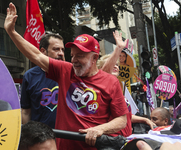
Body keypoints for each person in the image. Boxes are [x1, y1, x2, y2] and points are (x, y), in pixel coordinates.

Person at [4, 3, 128, 150]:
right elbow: (36, 55)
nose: (74, 60)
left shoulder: (111, 82)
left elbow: (122, 120)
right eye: (73, 55)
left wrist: (101, 129)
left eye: (80, 56)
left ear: (94, 59)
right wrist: (11, 32)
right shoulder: (65, 70)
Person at [97, 31, 156, 136]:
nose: (115, 66)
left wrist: (144, 120)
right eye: (112, 64)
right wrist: (118, 48)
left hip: (125, 138)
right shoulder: (101, 86)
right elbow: (105, 73)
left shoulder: (119, 88)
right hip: (112, 140)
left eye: (117, 64)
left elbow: (126, 115)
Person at [21, 33, 65, 129]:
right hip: (40, 138)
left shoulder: (71, 73)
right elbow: (26, 111)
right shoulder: (29, 76)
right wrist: (27, 136)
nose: (61, 53)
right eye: (56, 49)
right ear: (43, 51)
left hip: (68, 137)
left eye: (62, 50)